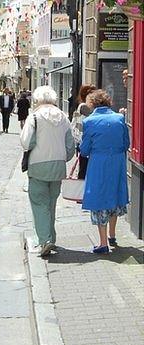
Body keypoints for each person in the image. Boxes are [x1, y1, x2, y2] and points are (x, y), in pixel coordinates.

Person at [20, 86, 75, 257]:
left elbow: (26, 142)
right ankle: (51, 236)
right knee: (51, 203)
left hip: (38, 165)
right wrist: (60, 157)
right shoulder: (63, 117)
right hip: (58, 166)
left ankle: (45, 239)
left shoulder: (34, 117)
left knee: (39, 203)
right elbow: (70, 147)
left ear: (36, 100)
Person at [80, 90, 130, 253]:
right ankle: (112, 235)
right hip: (117, 162)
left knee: (100, 198)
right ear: (108, 102)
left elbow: (85, 150)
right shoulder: (119, 118)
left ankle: (102, 243)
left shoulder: (89, 121)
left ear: (92, 104)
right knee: (114, 195)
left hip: (99, 164)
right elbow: (126, 143)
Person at [70, 84, 96, 179]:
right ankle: (82, 191)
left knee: (84, 168)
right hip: (84, 143)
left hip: (84, 142)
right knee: (84, 170)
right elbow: (94, 116)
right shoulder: (83, 106)